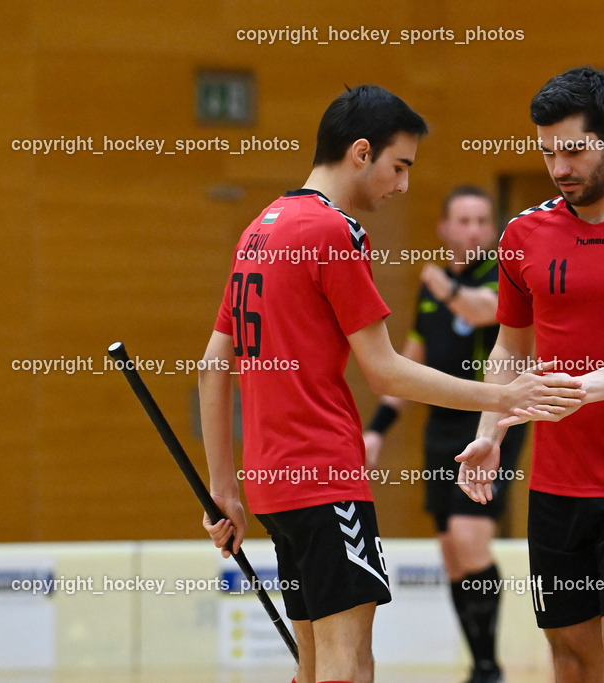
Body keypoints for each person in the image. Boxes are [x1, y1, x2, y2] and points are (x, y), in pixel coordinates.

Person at [197, 85, 584, 683]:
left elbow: (211, 365)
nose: (402, 184)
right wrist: (502, 395)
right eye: (398, 166)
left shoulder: (259, 230)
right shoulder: (334, 230)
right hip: (325, 478)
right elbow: (385, 369)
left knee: (317, 666)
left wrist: (225, 487)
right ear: (360, 153)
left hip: (271, 482)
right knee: (347, 667)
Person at [455, 67, 604, 683]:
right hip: (556, 483)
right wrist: (491, 430)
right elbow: (510, 347)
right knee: (570, 660)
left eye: (574, 149)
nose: (559, 166)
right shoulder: (524, 235)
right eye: (548, 151)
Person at [363, 185, 527, 683]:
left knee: (469, 538)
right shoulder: (430, 295)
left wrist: (443, 285)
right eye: (464, 221)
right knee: (452, 554)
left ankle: (489, 667)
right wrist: (375, 431)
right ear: (444, 228)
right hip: (441, 428)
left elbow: (483, 311)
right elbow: (409, 364)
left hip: (491, 425)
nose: (475, 230)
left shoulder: (501, 273)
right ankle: (479, 663)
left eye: (483, 221)